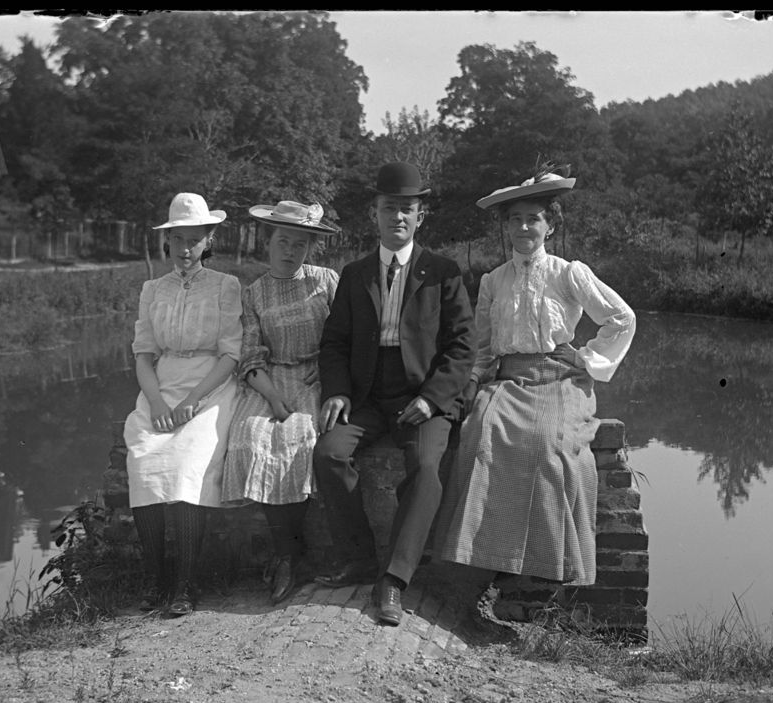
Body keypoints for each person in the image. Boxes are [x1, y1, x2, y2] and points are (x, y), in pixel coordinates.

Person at [437, 165, 636, 591]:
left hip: (560, 380)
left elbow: (622, 318)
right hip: (509, 381)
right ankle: (486, 561)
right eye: (515, 219)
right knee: (480, 433)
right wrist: (473, 382)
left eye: (533, 218)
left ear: (549, 225)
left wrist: (586, 359)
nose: (524, 227)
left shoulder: (568, 273)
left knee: (550, 444)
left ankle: (547, 567)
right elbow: (484, 345)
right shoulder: (493, 281)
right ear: (506, 227)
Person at [313, 161, 475, 626]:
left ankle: (392, 580)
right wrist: (338, 392)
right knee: (328, 453)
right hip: (367, 395)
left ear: (420, 216)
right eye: (390, 209)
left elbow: (464, 346)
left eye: (407, 210)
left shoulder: (443, 272)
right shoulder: (354, 273)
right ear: (375, 214)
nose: (398, 218)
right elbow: (335, 343)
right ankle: (359, 557)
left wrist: (431, 399)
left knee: (426, 467)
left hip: (423, 396)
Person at [123, 192, 242, 617]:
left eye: (196, 239)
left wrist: (193, 400)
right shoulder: (153, 289)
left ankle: (186, 585)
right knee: (143, 458)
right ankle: (156, 578)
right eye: (179, 239)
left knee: (189, 460)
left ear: (208, 241)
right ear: (168, 241)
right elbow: (142, 353)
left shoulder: (226, 286)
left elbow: (231, 353)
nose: (187, 248)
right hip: (162, 383)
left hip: (211, 385)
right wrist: (155, 401)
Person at [221, 201, 340, 604]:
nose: (291, 251)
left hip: (315, 375)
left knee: (302, 437)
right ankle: (286, 551)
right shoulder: (254, 293)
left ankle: (291, 556)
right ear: (268, 243)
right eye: (283, 242)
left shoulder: (325, 281)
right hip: (270, 379)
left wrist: (328, 369)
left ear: (310, 248)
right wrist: (271, 397)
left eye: (300, 244)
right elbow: (251, 353)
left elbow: (344, 338)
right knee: (252, 436)